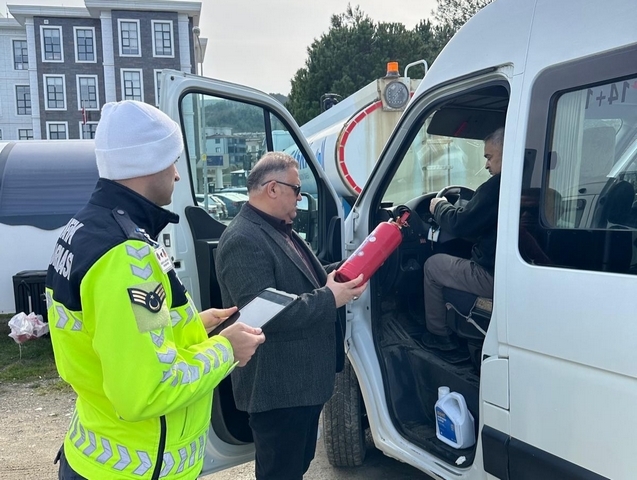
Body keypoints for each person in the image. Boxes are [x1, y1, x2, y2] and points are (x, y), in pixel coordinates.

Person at [45, 100, 265, 480]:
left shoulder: (86, 228)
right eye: (172, 161)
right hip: (133, 470)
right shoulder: (125, 255)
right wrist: (226, 350)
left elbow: (120, 336)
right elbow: (148, 390)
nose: (177, 175)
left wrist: (194, 326)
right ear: (148, 162)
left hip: (98, 454)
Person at [215, 152, 367, 480]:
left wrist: (342, 272)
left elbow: (301, 280)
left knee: (295, 467)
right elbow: (267, 315)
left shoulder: (277, 228)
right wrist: (332, 297)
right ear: (272, 188)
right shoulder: (242, 239)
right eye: (297, 189)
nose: (300, 197)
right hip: (278, 391)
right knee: (280, 473)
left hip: (300, 386)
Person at [421, 127, 504, 351]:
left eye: (489, 157)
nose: (486, 165)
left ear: (506, 153)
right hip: (508, 271)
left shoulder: (497, 186)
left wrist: (439, 207)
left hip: (491, 275)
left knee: (433, 265)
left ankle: (439, 337)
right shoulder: (527, 183)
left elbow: (459, 224)